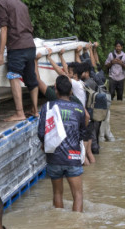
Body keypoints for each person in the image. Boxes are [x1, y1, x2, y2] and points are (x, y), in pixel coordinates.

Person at [37, 75, 89, 212]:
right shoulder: (78, 109)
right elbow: (84, 133)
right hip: (73, 156)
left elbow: (41, 132)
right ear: (71, 91)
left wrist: (44, 144)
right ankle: (76, 227)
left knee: (57, 194)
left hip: (54, 156)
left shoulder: (47, 106)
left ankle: (59, 224)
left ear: (56, 90)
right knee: (78, 195)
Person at [0, 0, 38, 121]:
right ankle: (35, 110)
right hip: (30, 44)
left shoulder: (1, 4)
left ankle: (19, 113)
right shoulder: (22, 4)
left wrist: (0, 53)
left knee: (13, 76)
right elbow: (30, 26)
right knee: (31, 78)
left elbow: (4, 29)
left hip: (17, 46)